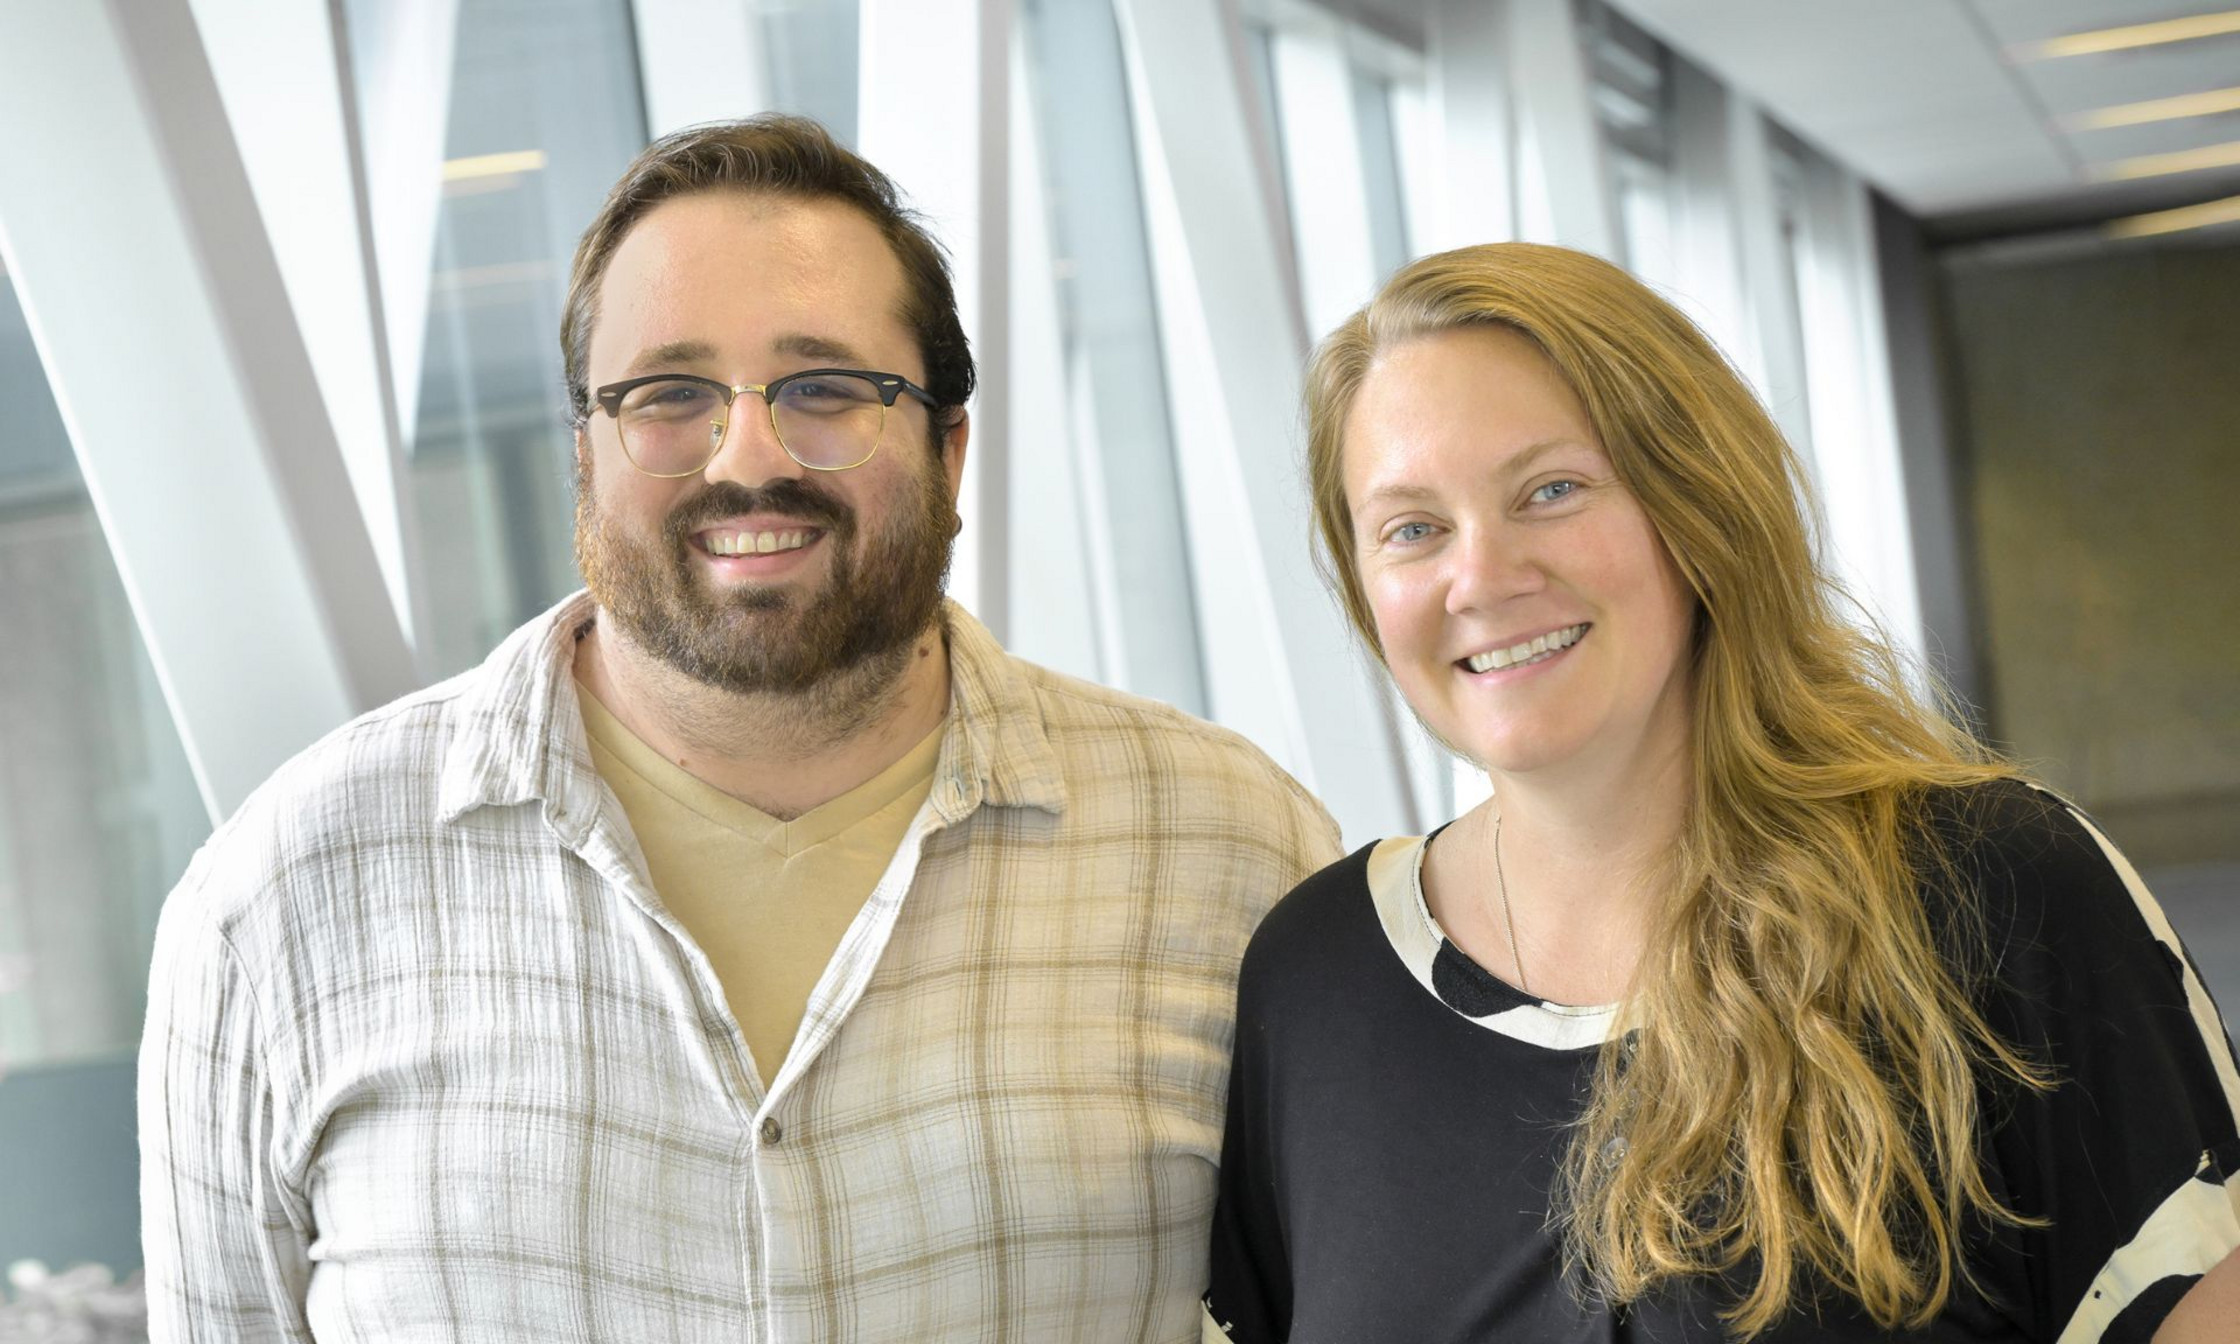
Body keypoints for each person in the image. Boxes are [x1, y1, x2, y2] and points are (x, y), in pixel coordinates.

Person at [139, 115, 1339, 1342]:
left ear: (950, 448)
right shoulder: (279, 900)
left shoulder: (1232, 849)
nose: (748, 455)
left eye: (826, 389)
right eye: (669, 395)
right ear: (585, 455)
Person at [1202, 243, 2240, 1342]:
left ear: (1696, 509)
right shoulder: (1313, 981)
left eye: (1550, 490)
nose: (1481, 576)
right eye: (1411, 529)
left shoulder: (1989, 889)